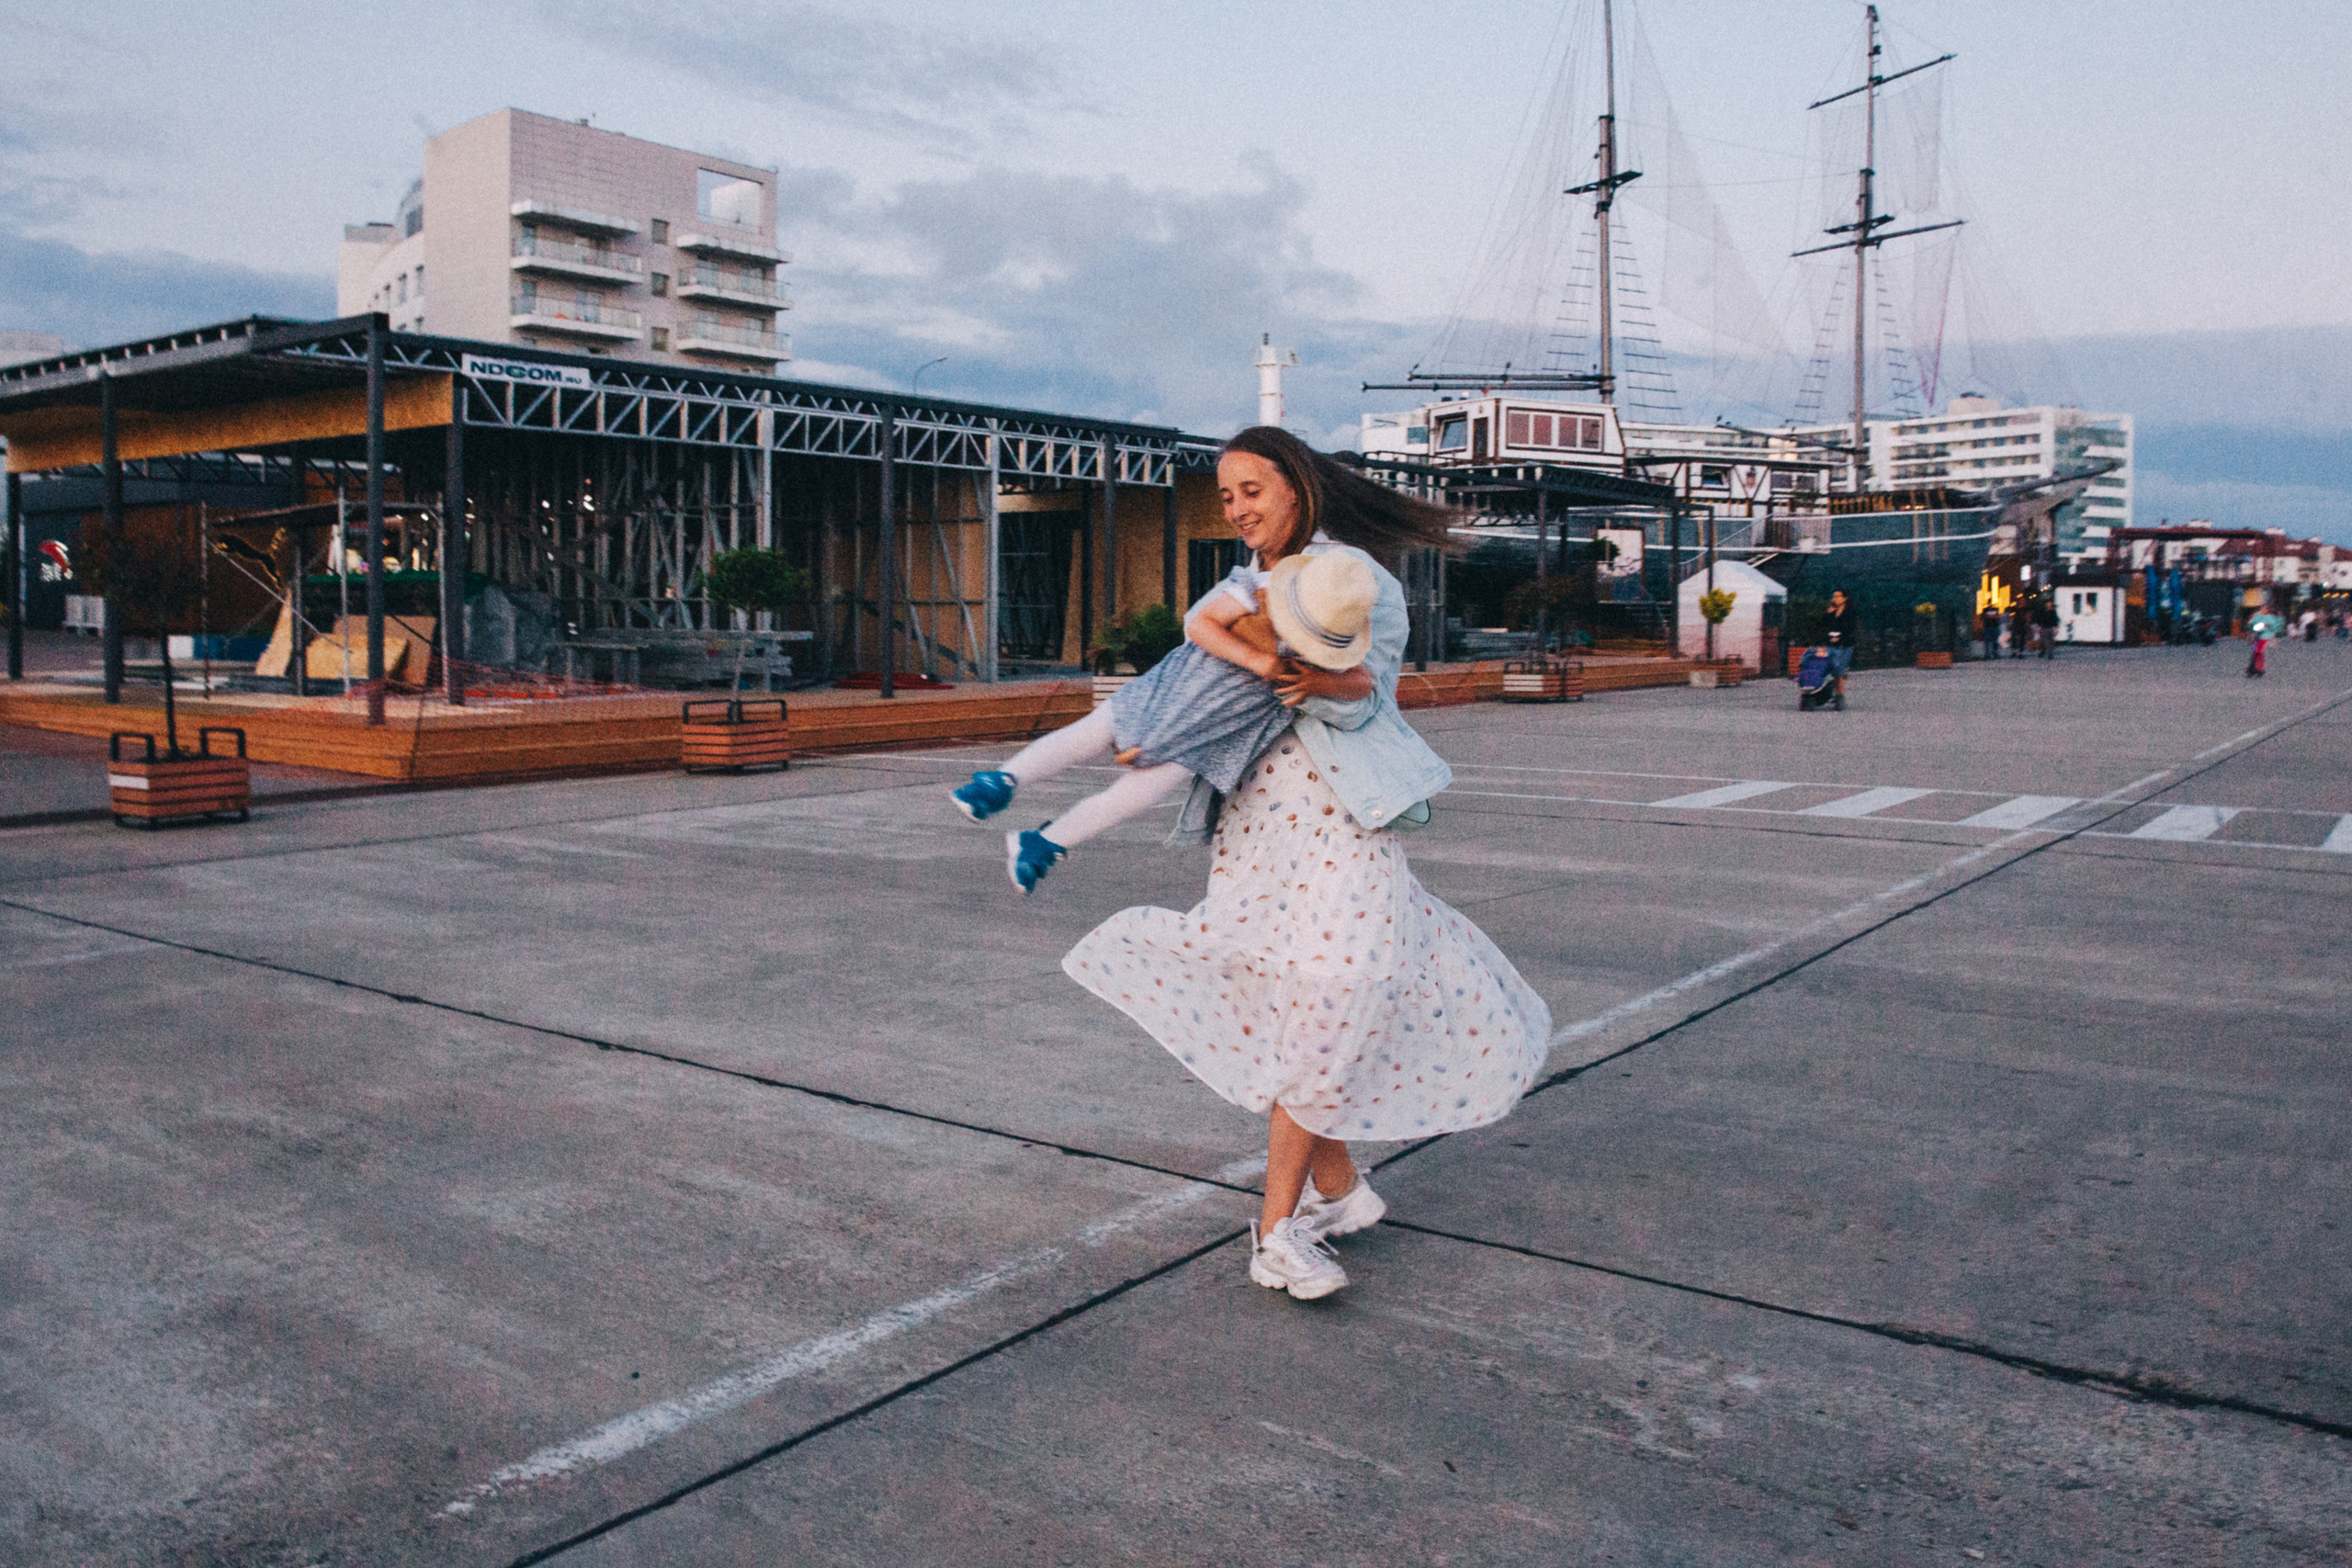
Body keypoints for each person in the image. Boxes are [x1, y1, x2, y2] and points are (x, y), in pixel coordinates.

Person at [1061, 426, 1552, 1302]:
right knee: (1295, 1012)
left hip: (1343, 829)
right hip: (1258, 833)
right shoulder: (1243, 584)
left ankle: (1277, 1232)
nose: (1237, 508)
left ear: (1296, 486)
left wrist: (1318, 683)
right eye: (1226, 496)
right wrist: (1162, 726)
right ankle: (1337, 1188)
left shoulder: (1354, 579)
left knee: (1332, 1001)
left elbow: (1371, 693)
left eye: (1252, 490)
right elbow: (1193, 662)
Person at [951, 550, 1370, 894]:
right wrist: (1258, 660)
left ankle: (1045, 842)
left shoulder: (1329, 641)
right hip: (1168, 693)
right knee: (1090, 734)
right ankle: (1001, 781)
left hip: (1209, 735)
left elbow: (1362, 682)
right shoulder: (1256, 590)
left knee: (1130, 798)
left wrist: (1317, 681)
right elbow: (1200, 624)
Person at [1821, 589, 1857, 688]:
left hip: (1844, 644)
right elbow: (1824, 626)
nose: (1835, 599)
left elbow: (1850, 628)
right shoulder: (1832, 612)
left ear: (1844, 599)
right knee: (1833, 670)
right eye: (1834, 597)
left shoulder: (1849, 612)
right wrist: (1828, 613)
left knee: (1839, 671)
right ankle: (1834, 691)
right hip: (1831, 644)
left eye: (1838, 596)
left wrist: (1840, 637)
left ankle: (1839, 694)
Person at [2246, 604, 2284, 677]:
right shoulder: (2258, 617)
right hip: (2258, 636)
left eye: (2265, 609)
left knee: (2259, 652)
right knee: (2255, 653)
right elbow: (2251, 624)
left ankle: (2259, 668)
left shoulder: (2271, 618)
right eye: (2262, 609)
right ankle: (2254, 668)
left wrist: (2268, 626)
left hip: (2266, 636)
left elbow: (2276, 626)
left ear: (2268, 610)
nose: (2263, 610)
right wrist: (2252, 628)